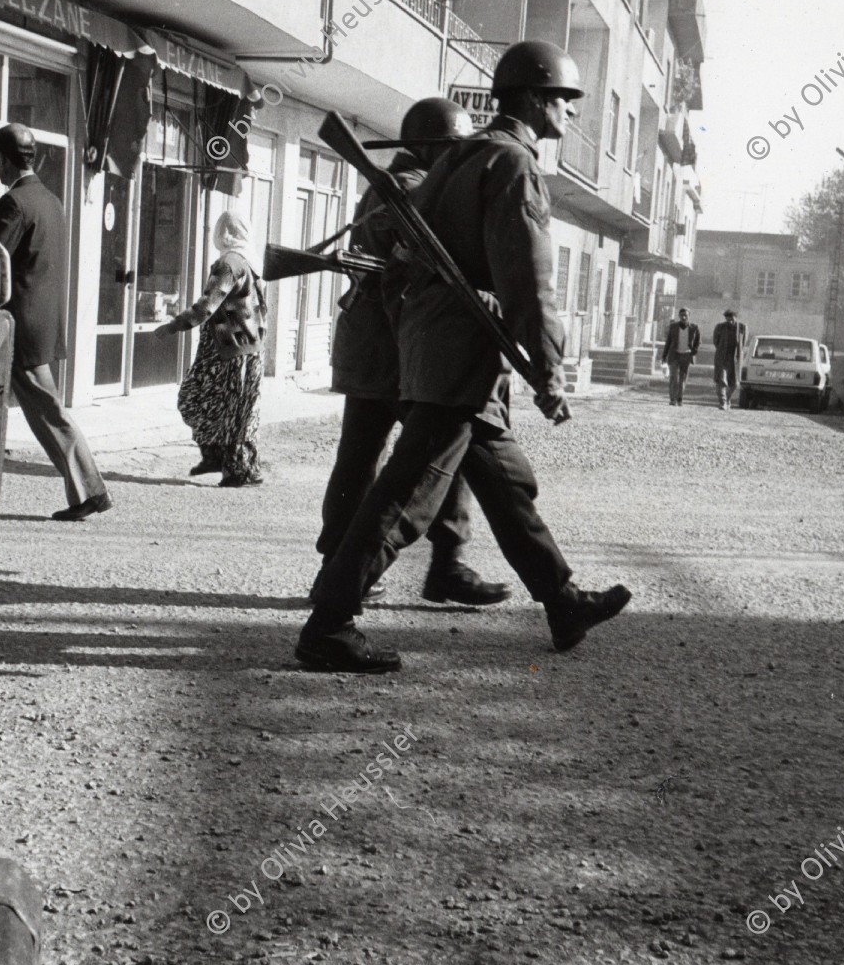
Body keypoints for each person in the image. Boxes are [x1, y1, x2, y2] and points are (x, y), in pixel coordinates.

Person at [297, 40, 633, 674]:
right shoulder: (510, 163)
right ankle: (329, 625)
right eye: (564, 99)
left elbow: (408, 261)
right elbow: (529, 279)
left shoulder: (465, 156)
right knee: (408, 496)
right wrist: (550, 369)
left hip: (445, 350)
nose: (570, 112)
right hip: (459, 359)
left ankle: (562, 601)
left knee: (507, 486)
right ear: (535, 99)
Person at [318, 96, 511, 608]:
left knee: (362, 455)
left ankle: (337, 564)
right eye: (454, 150)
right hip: (395, 345)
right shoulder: (412, 188)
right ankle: (443, 565)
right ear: (431, 147)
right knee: (449, 446)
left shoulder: (393, 185)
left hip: (373, 340)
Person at [0, 124, 112, 522]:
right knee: (37, 410)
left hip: (18, 328)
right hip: (42, 324)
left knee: (49, 413)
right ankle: (87, 490)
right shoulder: (51, 201)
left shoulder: (14, 203)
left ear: (4, 160)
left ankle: (91, 491)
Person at [153, 210, 268, 487]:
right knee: (242, 409)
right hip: (251, 348)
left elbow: (207, 306)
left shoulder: (228, 264)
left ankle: (233, 467)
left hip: (227, 350)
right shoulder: (251, 262)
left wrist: (173, 326)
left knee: (195, 399)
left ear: (225, 232)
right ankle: (245, 466)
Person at [661, 307, 700, 407]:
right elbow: (668, 342)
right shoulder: (673, 327)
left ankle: (680, 399)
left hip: (686, 356)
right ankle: (672, 399)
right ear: (679, 316)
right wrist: (664, 356)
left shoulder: (694, 328)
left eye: (685, 315)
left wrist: (693, 351)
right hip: (674, 355)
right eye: (682, 315)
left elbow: (697, 342)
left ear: (689, 316)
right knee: (674, 377)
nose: (683, 317)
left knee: (683, 379)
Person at [711, 308, 746, 410]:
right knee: (721, 381)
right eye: (727, 319)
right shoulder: (720, 327)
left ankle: (727, 399)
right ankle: (723, 403)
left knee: (734, 383)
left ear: (736, 317)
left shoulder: (742, 327)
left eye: (732, 319)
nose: (730, 321)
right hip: (722, 358)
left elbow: (743, 343)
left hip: (735, 359)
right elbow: (715, 341)